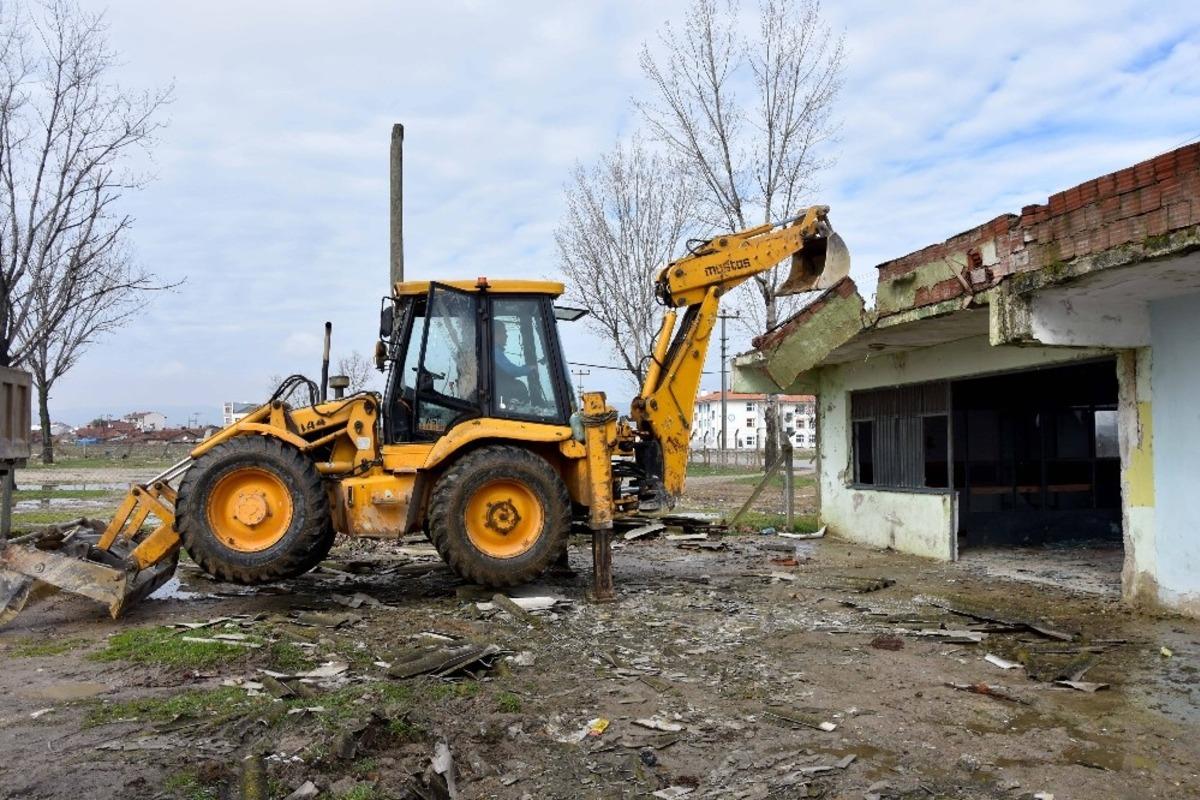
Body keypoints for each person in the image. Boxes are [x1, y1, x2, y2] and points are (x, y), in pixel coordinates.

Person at [493, 321, 538, 404]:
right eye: (504, 333)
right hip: (498, 393)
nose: (506, 336)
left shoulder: (493, 351)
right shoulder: (494, 351)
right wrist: (529, 369)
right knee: (519, 387)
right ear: (495, 335)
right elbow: (510, 370)